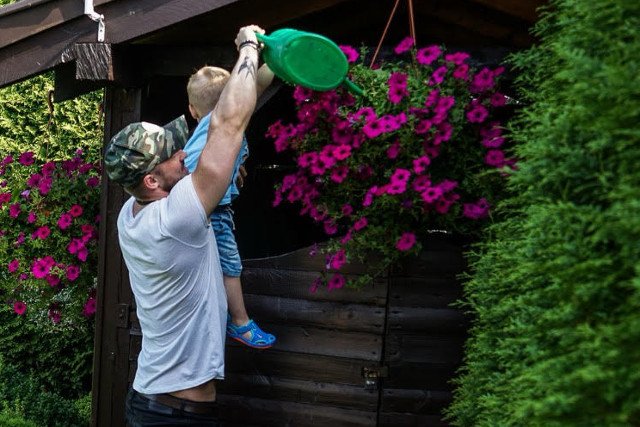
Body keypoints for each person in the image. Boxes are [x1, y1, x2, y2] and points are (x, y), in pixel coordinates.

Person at [104, 24, 264, 426]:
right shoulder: (178, 218)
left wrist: (221, 178)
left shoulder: (132, 215)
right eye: (171, 157)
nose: (182, 154)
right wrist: (247, 48)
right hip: (175, 415)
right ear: (151, 182)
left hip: (154, 403)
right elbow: (227, 124)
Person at [184, 63, 276, 349]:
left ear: (192, 109)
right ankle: (239, 322)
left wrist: (271, 55)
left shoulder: (217, 122)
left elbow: (256, 87)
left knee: (214, 266)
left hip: (215, 210)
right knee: (229, 266)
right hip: (213, 212)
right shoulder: (216, 126)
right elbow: (189, 168)